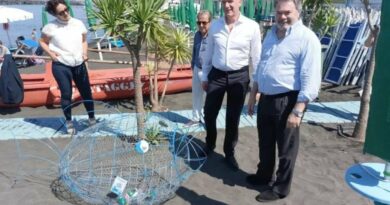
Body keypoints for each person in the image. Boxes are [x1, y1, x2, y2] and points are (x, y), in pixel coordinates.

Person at [246, 0, 322, 202]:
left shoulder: (306, 38)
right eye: (279, 12)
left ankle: (281, 188)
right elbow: (262, 66)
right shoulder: (271, 35)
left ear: (298, 11)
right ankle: (264, 175)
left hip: (288, 101)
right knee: (265, 142)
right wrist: (253, 93)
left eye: (287, 12)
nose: (282, 17)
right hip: (266, 98)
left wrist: (298, 110)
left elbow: (311, 77)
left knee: (286, 149)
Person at [201, 0, 262, 171]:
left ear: (240, 2)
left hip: (239, 76)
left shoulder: (252, 27)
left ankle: (229, 152)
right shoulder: (215, 26)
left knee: (233, 117)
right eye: (224, 1)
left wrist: (257, 86)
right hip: (217, 75)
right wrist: (205, 76)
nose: (227, 5)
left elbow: (257, 59)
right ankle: (210, 144)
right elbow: (208, 52)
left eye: (231, 1)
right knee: (209, 112)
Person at [39, 0, 95, 134]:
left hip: (78, 63)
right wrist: (52, 54)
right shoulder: (49, 27)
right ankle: (69, 122)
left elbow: (83, 41)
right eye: (61, 12)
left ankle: (92, 119)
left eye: (66, 9)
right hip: (61, 65)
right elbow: (42, 42)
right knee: (66, 94)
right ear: (54, 14)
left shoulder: (78, 23)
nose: (65, 13)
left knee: (86, 92)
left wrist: (85, 53)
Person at [187, 10, 212, 126]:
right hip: (197, 67)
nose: (201, 25)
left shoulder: (214, 36)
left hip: (209, 71)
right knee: (196, 95)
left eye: (204, 22)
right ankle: (196, 118)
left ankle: (208, 119)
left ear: (210, 22)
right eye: (199, 22)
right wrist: (193, 64)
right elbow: (194, 50)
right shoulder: (197, 35)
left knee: (209, 97)